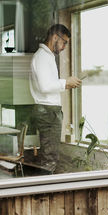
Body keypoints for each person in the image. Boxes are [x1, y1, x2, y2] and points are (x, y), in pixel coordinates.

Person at [29, 24, 81, 173]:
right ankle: (44, 193)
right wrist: (65, 82)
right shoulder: (42, 57)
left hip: (48, 110)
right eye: (64, 42)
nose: (64, 47)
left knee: (49, 156)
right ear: (55, 37)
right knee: (49, 158)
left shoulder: (47, 56)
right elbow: (45, 87)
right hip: (47, 111)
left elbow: (47, 85)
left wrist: (66, 84)